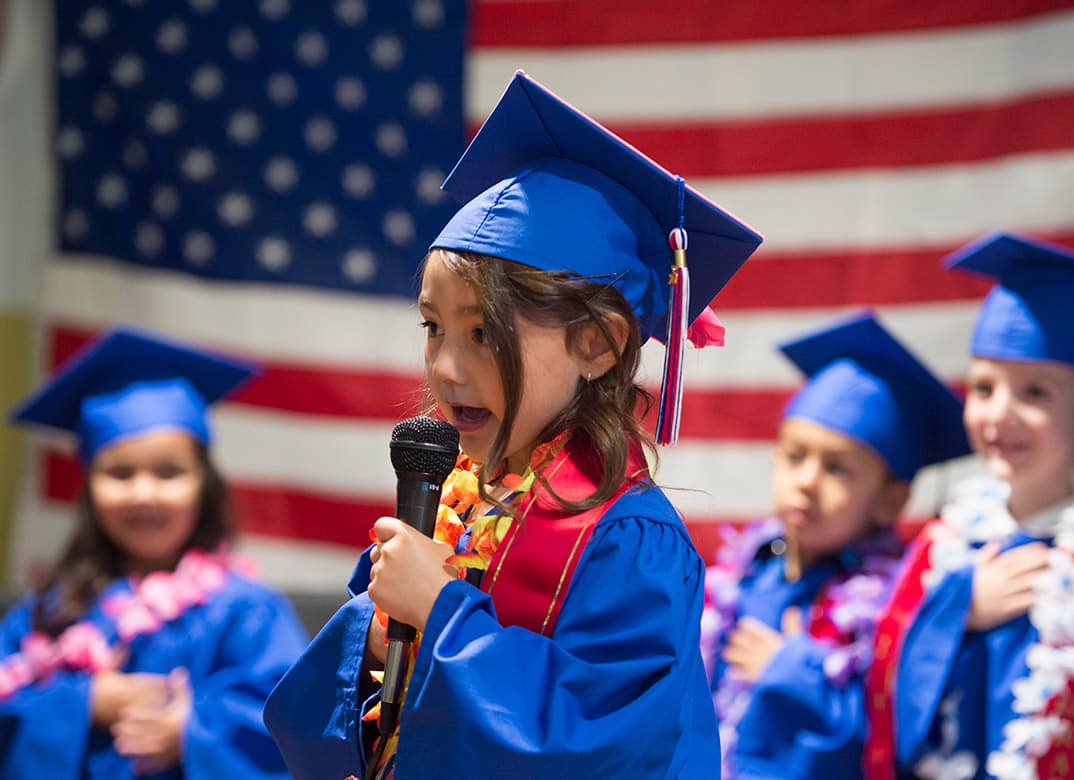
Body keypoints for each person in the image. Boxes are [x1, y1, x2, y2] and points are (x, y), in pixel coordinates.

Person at [262, 70, 763, 779]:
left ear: (599, 343)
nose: (448, 368)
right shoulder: (452, 497)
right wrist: (372, 637)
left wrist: (442, 613)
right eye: (434, 328)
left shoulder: (629, 541)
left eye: (485, 335)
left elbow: (605, 743)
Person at [865, 231, 1074, 780]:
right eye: (983, 388)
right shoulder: (940, 548)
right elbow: (881, 688)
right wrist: (960, 609)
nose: (998, 413)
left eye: (1035, 392)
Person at [1, 327, 308, 779]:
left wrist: (191, 734)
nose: (144, 493)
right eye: (119, 473)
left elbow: (295, 725)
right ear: (87, 487)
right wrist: (83, 703)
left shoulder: (246, 612)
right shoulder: (48, 610)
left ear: (203, 483)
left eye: (169, 472)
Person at [702, 311, 970, 779]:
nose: (805, 482)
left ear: (892, 501)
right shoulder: (744, 575)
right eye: (794, 456)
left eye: (837, 469)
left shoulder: (895, 603)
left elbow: (892, 733)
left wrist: (792, 670)